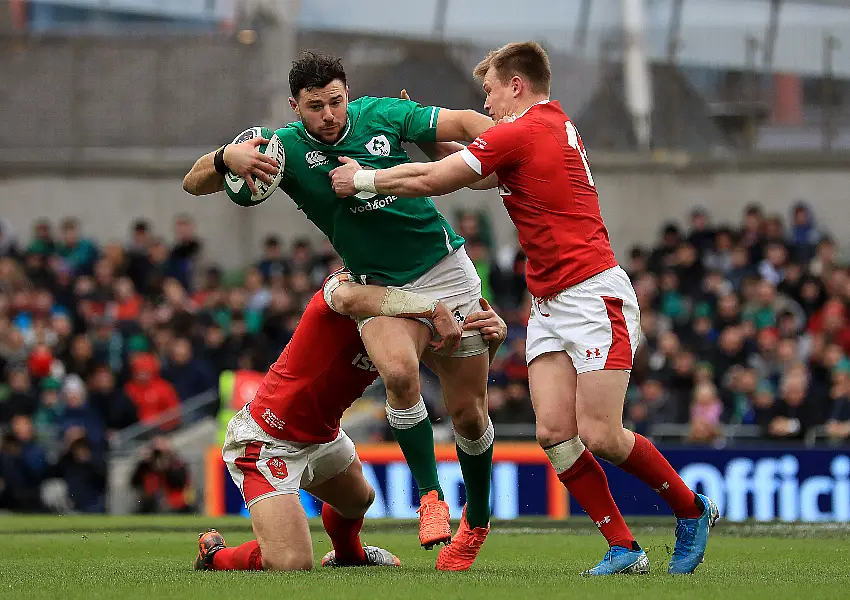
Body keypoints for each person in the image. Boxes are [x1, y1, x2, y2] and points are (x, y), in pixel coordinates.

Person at [330, 41, 719, 576]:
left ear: (516, 85)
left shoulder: (527, 128)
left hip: (591, 292)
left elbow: (436, 183)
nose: (485, 105)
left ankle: (692, 509)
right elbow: (480, 176)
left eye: (489, 92)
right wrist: (432, 148)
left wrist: (365, 178)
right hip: (548, 301)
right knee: (555, 435)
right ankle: (624, 548)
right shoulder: (543, 130)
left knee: (602, 433)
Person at [184, 50, 501, 569]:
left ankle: (468, 524)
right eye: (315, 106)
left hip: (446, 267)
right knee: (399, 372)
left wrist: (511, 137)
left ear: (347, 93)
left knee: (468, 413)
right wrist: (225, 159)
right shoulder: (283, 151)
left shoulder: (380, 115)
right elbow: (193, 182)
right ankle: (431, 500)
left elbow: (462, 121)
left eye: (336, 101)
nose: (329, 115)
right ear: (295, 106)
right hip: (378, 286)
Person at [194, 272, 507, 572]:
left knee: (360, 499)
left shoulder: (407, 321)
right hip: (268, 437)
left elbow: (458, 385)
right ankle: (215, 556)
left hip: (322, 435)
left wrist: (486, 344)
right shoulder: (346, 285)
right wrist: (436, 308)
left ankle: (348, 556)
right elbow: (342, 297)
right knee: (290, 562)